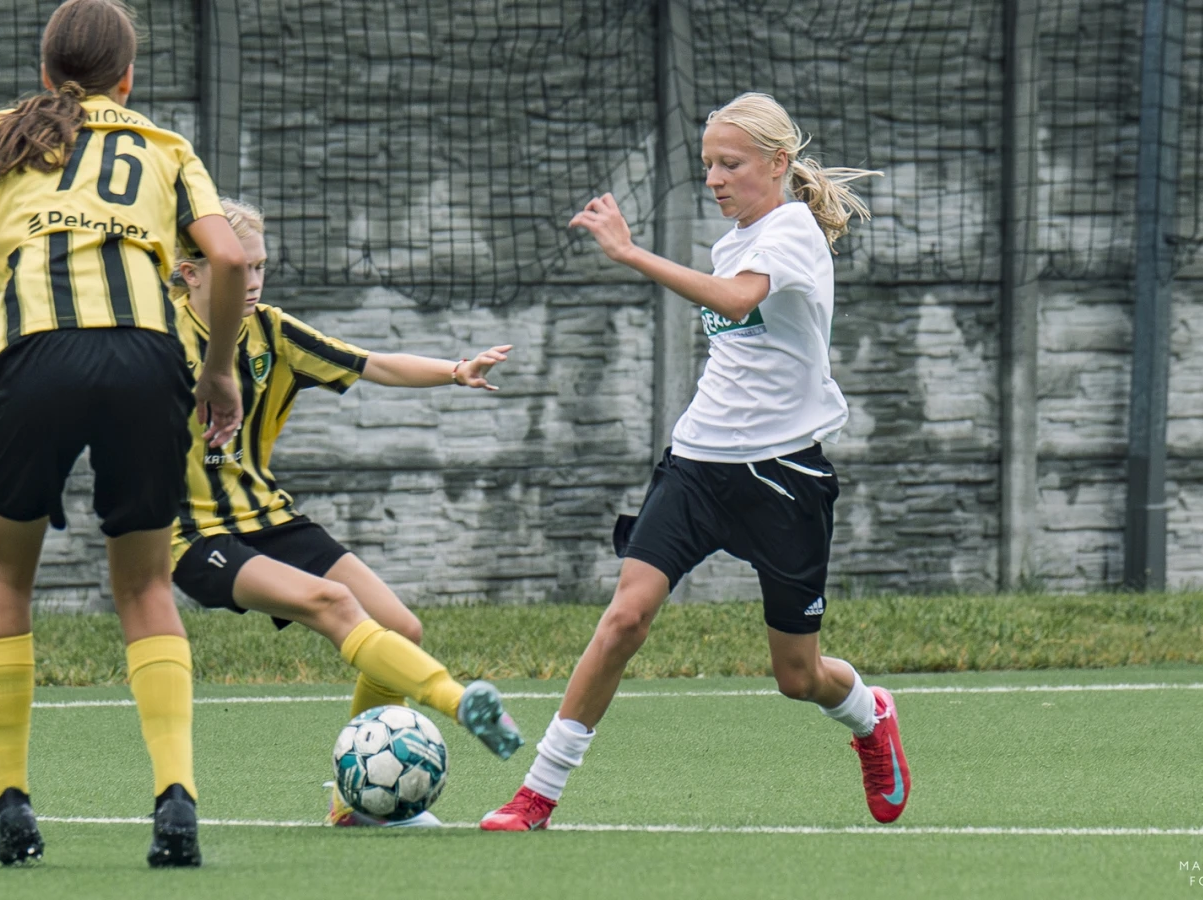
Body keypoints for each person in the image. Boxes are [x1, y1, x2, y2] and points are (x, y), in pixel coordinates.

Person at [482, 92, 909, 831]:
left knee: (797, 676)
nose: (713, 179)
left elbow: (738, 302)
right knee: (625, 619)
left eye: (730, 164)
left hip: (784, 477)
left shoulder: (792, 231)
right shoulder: (731, 240)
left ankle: (870, 716)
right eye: (708, 164)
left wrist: (630, 252)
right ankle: (537, 794)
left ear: (777, 163)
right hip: (697, 463)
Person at [0, 0, 246, 867]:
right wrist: (219, 370)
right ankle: (176, 801)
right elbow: (230, 257)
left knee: (2, 576)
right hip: (144, 358)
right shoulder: (165, 146)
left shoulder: (3, 135)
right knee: (145, 583)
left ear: (46, 71)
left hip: (31, 357)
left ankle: (12, 803)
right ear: (127, 78)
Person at [166, 198, 523, 826]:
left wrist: (455, 370)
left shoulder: (273, 332)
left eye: (260, 267)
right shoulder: (153, 338)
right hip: (193, 536)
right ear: (191, 273)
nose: (252, 281)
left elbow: (372, 363)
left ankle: (351, 804)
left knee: (401, 627)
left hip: (270, 519)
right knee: (334, 605)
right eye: (238, 269)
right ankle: (457, 700)